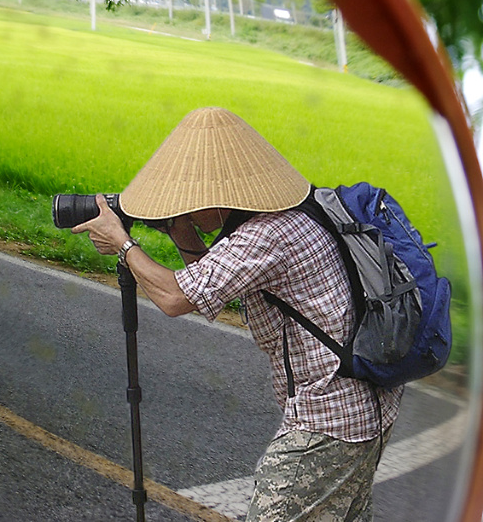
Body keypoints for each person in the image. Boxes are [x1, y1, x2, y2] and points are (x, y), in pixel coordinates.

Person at [72, 107, 401, 521]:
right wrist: (180, 229)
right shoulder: (301, 207)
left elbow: (175, 298)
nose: (186, 206)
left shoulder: (265, 235)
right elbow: (221, 280)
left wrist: (122, 244)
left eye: (192, 200)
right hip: (371, 404)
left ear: (221, 194)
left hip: (328, 421)